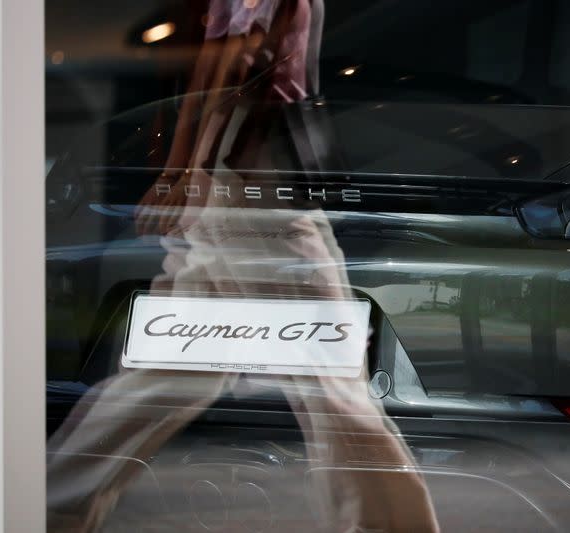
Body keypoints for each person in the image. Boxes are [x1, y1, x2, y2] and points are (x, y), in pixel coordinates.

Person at [47, 1, 440, 531]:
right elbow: (233, 69)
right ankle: (388, 525)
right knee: (331, 371)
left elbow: (213, 69)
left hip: (230, 179)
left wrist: (183, 173)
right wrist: (190, 174)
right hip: (257, 185)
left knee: (168, 369)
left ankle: (53, 505)